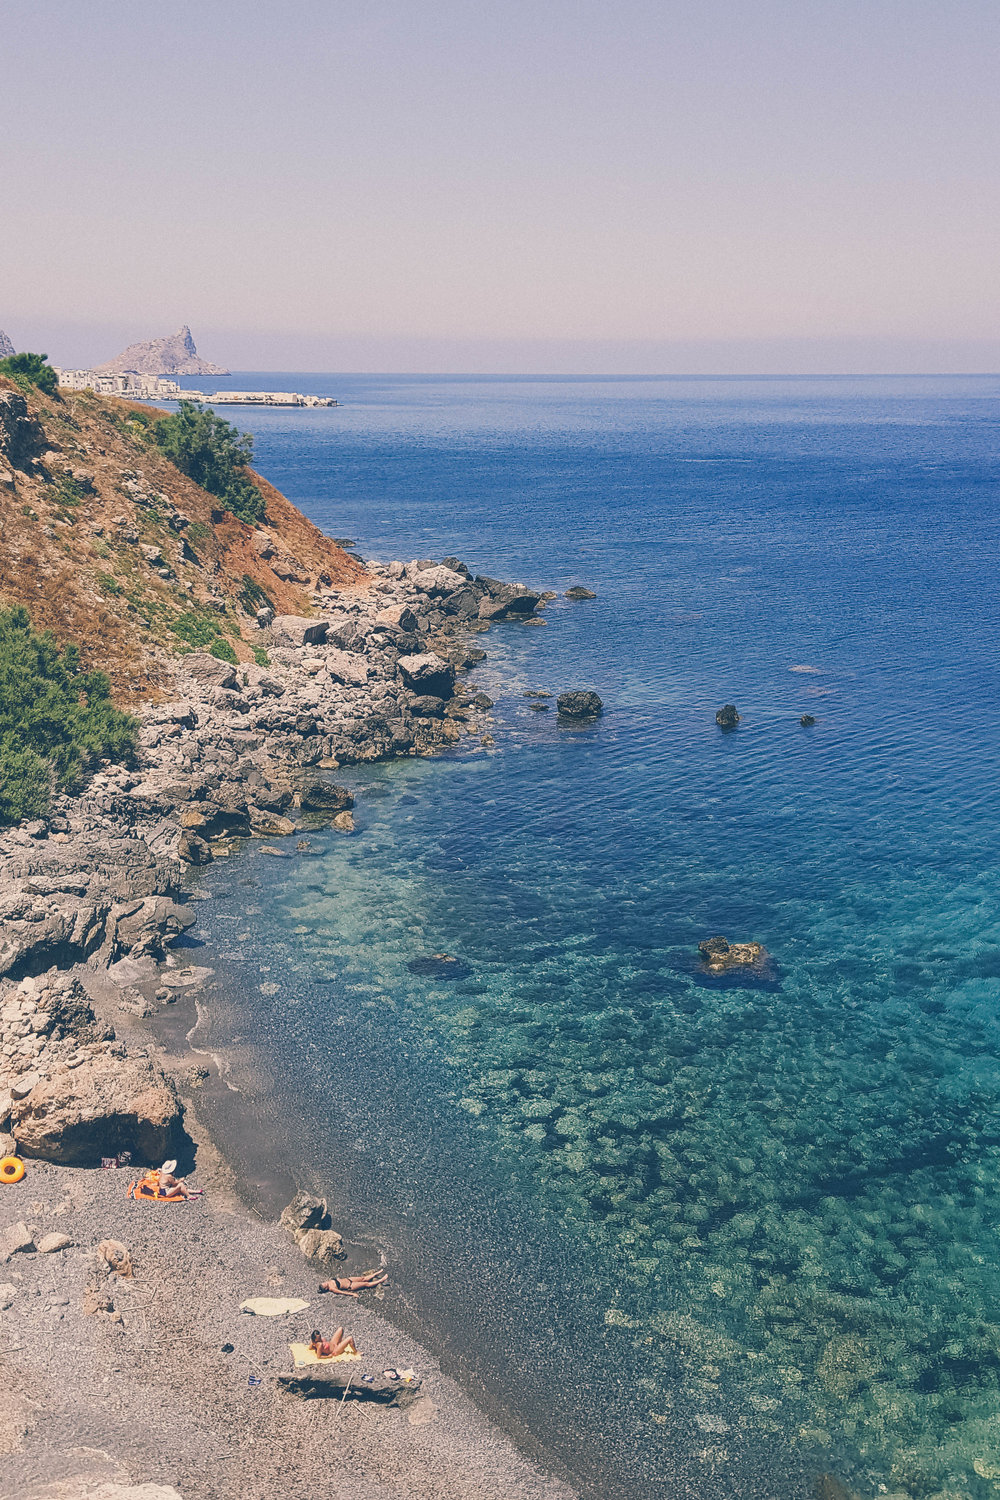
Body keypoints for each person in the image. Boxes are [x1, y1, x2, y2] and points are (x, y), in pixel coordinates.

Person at [318, 1270, 388, 1298]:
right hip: (350, 1286)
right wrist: (353, 1294)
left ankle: (376, 1274)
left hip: (349, 1279)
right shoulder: (332, 1289)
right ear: (326, 1288)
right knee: (366, 1284)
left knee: (363, 1278)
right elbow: (342, 1292)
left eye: (325, 1283)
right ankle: (381, 1280)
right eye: (325, 1285)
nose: (326, 1283)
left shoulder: (328, 1282)